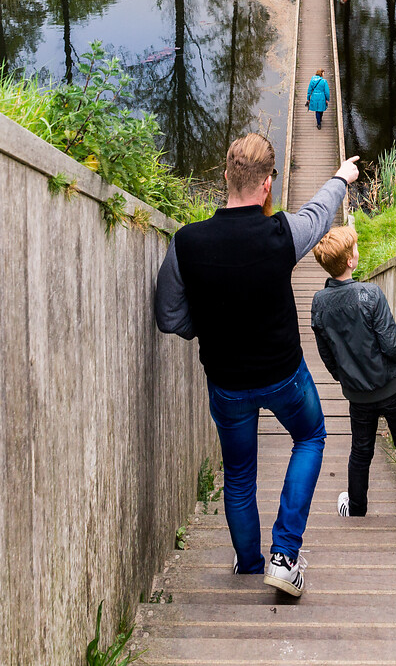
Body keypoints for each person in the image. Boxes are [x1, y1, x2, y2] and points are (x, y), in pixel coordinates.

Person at [155, 133, 361, 598]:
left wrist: (204, 325)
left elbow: (169, 317)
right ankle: (284, 556)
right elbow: (317, 214)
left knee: (240, 473)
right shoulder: (281, 235)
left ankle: (248, 564)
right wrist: (340, 179)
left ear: (226, 175)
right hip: (284, 377)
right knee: (311, 436)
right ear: (267, 184)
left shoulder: (187, 243)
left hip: (227, 384)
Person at [309, 226, 396, 520]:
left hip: (358, 395)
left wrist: (347, 376)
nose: (357, 253)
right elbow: (390, 344)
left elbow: (327, 355)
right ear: (350, 261)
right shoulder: (370, 294)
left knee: (361, 450)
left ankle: (357, 509)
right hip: (393, 388)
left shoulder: (319, 304)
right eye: (355, 249)